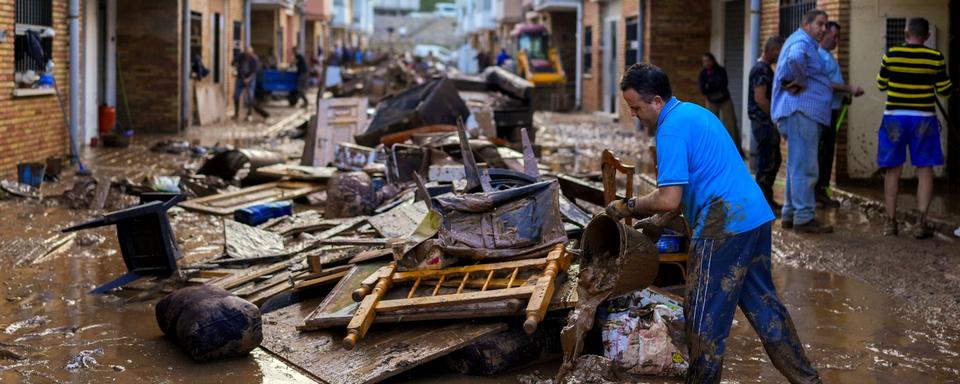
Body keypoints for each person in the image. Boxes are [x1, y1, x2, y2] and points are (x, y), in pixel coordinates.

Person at [606, 62, 821, 384]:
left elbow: (668, 198)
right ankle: (808, 380)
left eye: (636, 108)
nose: (635, 115)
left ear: (656, 102)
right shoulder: (695, 113)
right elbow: (698, 184)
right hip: (754, 217)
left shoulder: (671, 130)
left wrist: (628, 206)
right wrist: (656, 221)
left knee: (703, 319)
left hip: (723, 225)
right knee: (766, 309)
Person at [876, 17, 953, 238]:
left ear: (905, 33)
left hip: (894, 119)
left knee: (893, 170)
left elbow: (881, 84)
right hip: (923, 120)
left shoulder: (890, 55)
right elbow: (945, 90)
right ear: (927, 36)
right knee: (925, 169)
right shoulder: (935, 57)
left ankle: (890, 223)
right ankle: (921, 224)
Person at [772, 9, 833, 233]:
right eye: (820, 24)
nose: (823, 29)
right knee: (806, 167)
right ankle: (804, 217)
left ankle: (790, 214)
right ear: (806, 24)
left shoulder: (801, 41)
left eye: (826, 25)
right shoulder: (802, 42)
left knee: (796, 166)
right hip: (802, 113)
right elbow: (795, 58)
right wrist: (800, 80)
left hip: (799, 114)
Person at [816, 21, 864, 208]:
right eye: (833, 36)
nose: (836, 41)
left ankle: (821, 190)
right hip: (824, 111)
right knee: (823, 152)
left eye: (838, 37)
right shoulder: (819, 56)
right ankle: (818, 192)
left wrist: (844, 94)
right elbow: (824, 83)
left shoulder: (828, 56)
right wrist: (848, 88)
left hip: (832, 108)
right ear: (824, 34)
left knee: (828, 152)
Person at [748, 36, 785, 211]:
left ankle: (766, 200)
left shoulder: (764, 69)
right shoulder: (761, 70)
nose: (781, 56)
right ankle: (762, 204)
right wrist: (775, 117)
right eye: (780, 51)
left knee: (773, 160)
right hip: (763, 123)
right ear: (773, 50)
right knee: (768, 162)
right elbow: (760, 99)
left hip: (764, 122)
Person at [699, 52, 741, 153]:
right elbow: (703, 90)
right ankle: (714, 150)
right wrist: (713, 84)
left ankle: (735, 149)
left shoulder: (720, 70)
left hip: (724, 99)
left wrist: (710, 85)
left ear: (712, 60)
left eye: (708, 60)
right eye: (704, 61)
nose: (706, 63)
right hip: (711, 100)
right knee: (711, 124)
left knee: (731, 124)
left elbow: (723, 84)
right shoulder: (703, 73)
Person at [232, 46, 269, 121]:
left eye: (249, 54)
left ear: (251, 53)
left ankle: (249, 114)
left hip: (250, 79)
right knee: (236, 95)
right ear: (244, 52)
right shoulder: (240, 56)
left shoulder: (254, 59)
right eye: (246, 53)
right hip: (240, 77)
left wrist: (248, 79)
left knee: (250, 97)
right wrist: (236, 64)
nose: (247, 55)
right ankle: (236, 114)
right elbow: (233, 62)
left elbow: (254, 72)